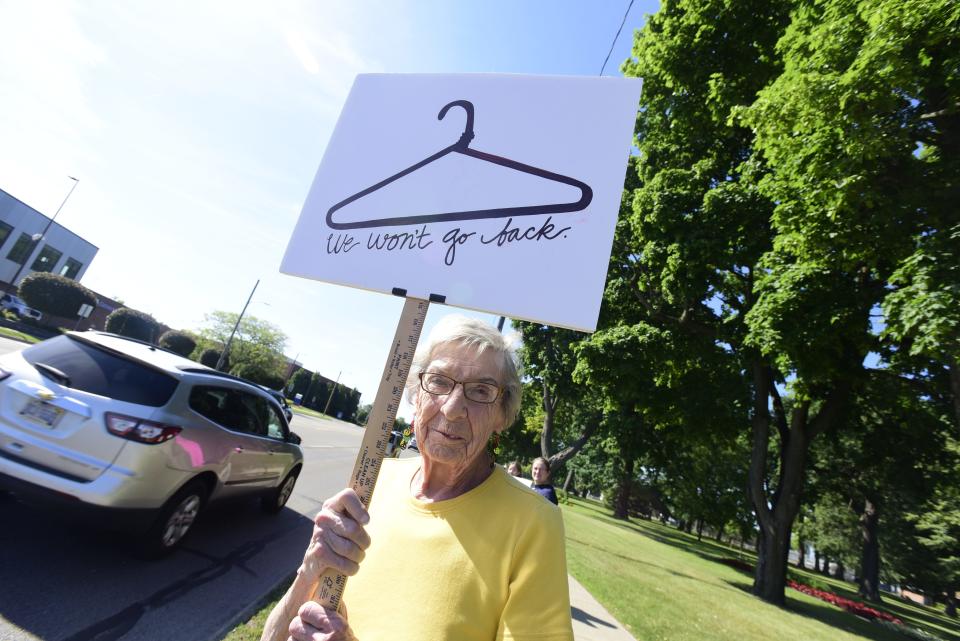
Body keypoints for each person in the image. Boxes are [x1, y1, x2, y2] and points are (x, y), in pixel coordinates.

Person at [261, 315, 573, 641]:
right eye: (438, 381)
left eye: (481, 391)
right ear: (415, 393)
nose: (453, 408)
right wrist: (310, 569)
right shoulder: (373, 482)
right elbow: (272, 637)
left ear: (501, 415)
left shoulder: (533, 523)